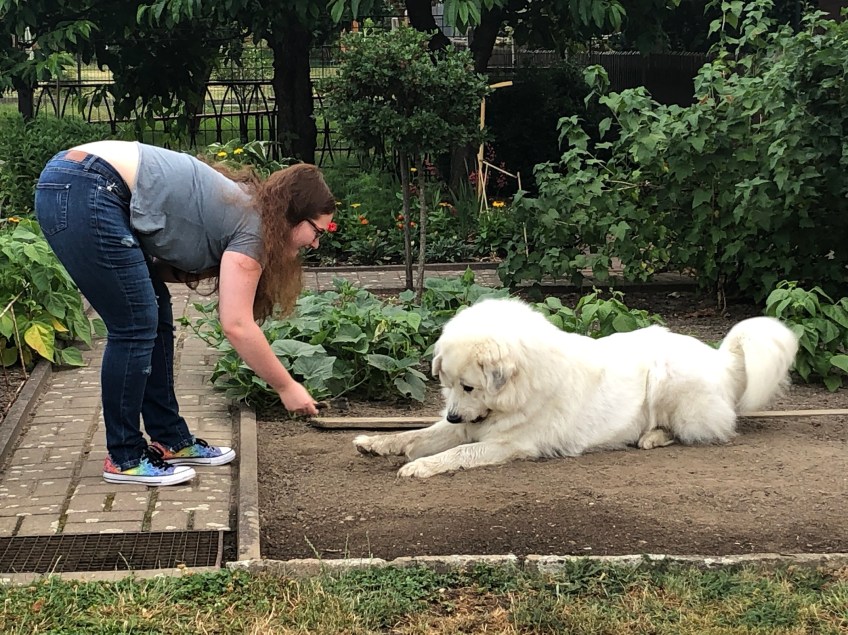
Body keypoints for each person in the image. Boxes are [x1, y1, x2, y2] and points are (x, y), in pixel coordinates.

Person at [34, 141, 335, 486]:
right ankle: (124, 457)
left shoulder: (246, 211)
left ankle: (171, 440)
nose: (316, 243)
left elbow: (155, 268)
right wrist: (286, 387)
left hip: (79, 182)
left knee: (153, 308)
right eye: (318, 230)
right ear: (294, 215)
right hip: (87, 186)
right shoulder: (255, 229)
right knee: (135, 322)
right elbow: (237, 325)